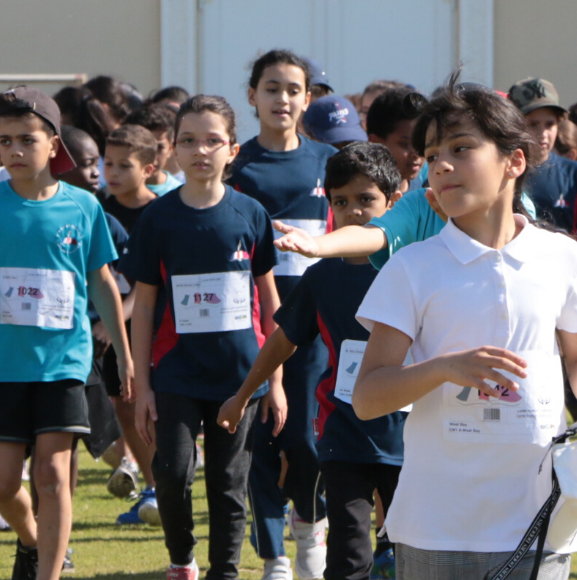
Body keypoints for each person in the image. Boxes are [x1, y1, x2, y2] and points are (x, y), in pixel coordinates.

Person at [351, 77, 577, 580]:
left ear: (514, 161)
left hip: (542, 520)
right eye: (432, 155)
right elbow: (367, 397)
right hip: (436, 527)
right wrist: (444, 368)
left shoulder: (562, 255)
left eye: (461, 148)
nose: (441, 165)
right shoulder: (412, 267)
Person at [0, 85, 131, 580]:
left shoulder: (84, 206)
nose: (13, 150)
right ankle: (32, 541)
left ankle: (49, 572)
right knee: (2, 487)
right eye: (4, 141)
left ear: (53, 145)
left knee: (53, 476)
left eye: (26, 140)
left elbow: (101, 282)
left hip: (63, 360)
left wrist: (124, 352)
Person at [220, 142, 404, 580]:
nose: (353, 211)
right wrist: (243, 395)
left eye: (366, 199)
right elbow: (282, 341)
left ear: (394, 203)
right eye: (340, 201)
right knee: (348, 557)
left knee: (412, 552)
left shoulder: (414, 268)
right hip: (344, 434)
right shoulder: (321, 277)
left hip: (410, 437)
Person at [126, 94, 280, 580]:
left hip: (240, 374)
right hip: (175, 371)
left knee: (228, 481)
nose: (200, 150)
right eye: (189, 140)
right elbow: (144, 306)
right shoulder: (158, 218)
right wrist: (142, 386)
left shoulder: (250, 213)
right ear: (173, 149)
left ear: (232, 149)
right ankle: (182, 560)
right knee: (171, 472)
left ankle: (225, 571)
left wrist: (274, 381)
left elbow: (269, 302)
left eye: (212, 140)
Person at [230, 48, 335, 579]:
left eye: (294, 90)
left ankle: (310, 528)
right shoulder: (236, 165)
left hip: (316, 323)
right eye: (271, 88)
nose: (283, 99)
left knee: (307, 439)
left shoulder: (328, 161)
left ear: (308, 98)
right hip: (253, 318)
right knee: (261, 438)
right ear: (252, 96)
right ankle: (273, 556)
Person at [98, 124, 165, 525]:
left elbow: (148, 283)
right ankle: (152, 488)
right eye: (108, 163)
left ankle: (167, 488)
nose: (113, 172)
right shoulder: (94, 207)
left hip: (153, 328)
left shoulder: (161, 212)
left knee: (153, 408)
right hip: (108, 332)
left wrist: (114, 320)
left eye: (125, 165)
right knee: (124, 408)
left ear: (149, 169)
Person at [508, 78, 577, 262]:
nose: (543, 133)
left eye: (550, 124)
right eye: (533, 124)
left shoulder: (576, 174)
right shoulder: (502, 171)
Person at [363, 88, 425, 194]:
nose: (417, 153)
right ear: (376, 144)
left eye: (421, 142)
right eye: (405, 144)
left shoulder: (427, 192)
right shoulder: (358, 193)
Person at [124, 103, 182, 194]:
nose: (153, 158)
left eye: (160, 148)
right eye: (144, 148)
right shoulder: (112, 193)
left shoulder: (180, 194)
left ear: (170, 148)